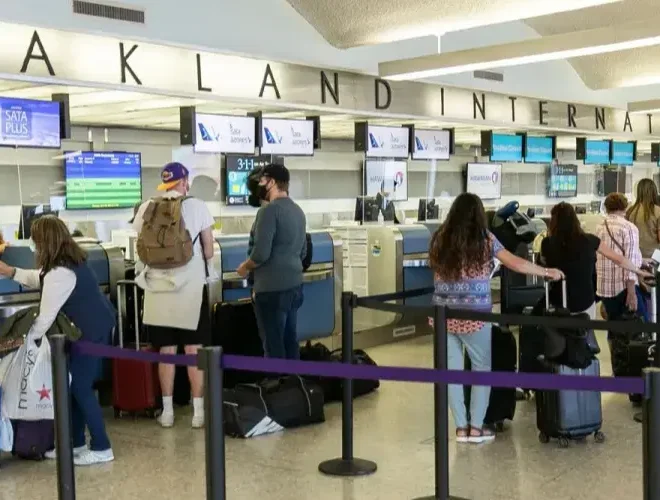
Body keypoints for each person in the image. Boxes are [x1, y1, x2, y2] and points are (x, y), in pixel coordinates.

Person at [429, 193, 564, 444]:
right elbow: (515, 263)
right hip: (474, 315)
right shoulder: (484, 240)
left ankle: (460, 428)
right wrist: (546, 272)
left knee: (451, 373)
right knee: (482, 369)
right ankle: (477, 428)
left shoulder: (440, 239)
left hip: (443, 313)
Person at [0, 216, 116, 466]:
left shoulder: (60, 272)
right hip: (92, 328)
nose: (33, 244)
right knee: (73, 386)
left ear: (45, 241)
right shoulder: (66, 262)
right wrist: (10, 271)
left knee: (80, 388)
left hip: (90, 333)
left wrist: (24, 342)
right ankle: (75, 443)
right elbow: (40, 277)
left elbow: (45, 317)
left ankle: (102, 446)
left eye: (35, 239)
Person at [132, 162, 215, 429]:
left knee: (166, 351)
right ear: (185, 182)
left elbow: (140, 242)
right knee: (193, 350)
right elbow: (209, 249)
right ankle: (198, 412)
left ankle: (167, 411)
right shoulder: (197, 206)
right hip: (189, 288)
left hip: (156, 289)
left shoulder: (146, 207)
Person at [237, 164, 306, 360]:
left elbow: (260, 254)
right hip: (294, 285)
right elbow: (303, 251)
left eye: (262, 180)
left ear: (272, 182)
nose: (259, 184)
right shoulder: (297, 210)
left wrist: (244, 267)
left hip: (271, 289)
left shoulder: (268, 212)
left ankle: (277, 387)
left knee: (273, 345)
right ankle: (293, 386)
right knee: (290, 340)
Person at [541, 202, 650, 318]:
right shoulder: (590, 240)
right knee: (586, 333)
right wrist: (639, 271)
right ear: (575, 220)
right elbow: (619, 259)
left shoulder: (547, 243)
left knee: (560, 334)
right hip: (584, 302)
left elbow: (543, 266)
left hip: (558, 302)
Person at [596, 193, 648, 325]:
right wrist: (631, 293)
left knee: (614, 327)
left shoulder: (599, 227)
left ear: (607, 208)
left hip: (604, 288)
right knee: (639, 326)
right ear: (625, 207)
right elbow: (628, 260)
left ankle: (615, 346)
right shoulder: (629, 228)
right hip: (623, 288)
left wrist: (641, 260)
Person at [626, 178, 660, 259]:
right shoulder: (658, 211)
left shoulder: (630, 211)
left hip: (635, 254)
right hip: (655, 255)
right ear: (654, 192)